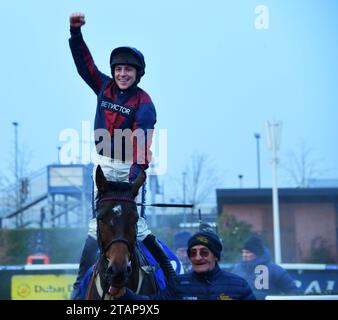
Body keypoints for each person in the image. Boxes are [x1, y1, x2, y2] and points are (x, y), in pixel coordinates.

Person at [68, 12, 176, 298]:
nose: (123, 74)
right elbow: (84, 65)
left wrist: (135, 175)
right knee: (96, 230)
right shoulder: (103, 86)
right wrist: (75, 33)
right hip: (103, 166)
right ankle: (77, 290)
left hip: (131, 169)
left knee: (138, 230)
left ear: (137, 74)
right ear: (113, 71)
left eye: (129, 70)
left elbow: (142, 141)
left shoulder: (145, 103)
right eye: (118, 69)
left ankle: (174, 286)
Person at [116, 230, 256, 300]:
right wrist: (124, 294)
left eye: (204, 252)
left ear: (216, 256)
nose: (198, 257)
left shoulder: (239, 285)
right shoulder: (178, 284)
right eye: (193, 253)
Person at [231, 234, 299, 299]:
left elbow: (294, 292)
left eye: (248, 252)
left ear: (257, 253)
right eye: (243, 252)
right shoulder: (237, 269)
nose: (244, 255)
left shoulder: (274, 270)